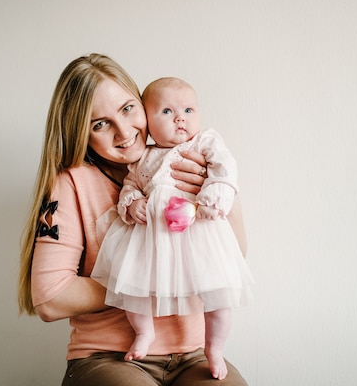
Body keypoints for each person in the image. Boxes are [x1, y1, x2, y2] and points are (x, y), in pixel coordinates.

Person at [18, 53, 250, 385]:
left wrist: (219, 190)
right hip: (108, 357)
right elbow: (51, 299)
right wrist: (149, 275)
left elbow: (233, 255)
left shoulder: (189, 159)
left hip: (193, 354)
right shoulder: (71, 183)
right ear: (80, 133)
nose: (125, 131)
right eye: (100, 124)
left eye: (127, 109)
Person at [91, 77, 253, 380]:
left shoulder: (204, 142)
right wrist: (131, 204)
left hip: (200, 234)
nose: (180, 118)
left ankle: (214, 347)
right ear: (147, 122)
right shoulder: (143, 158)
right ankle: (144, 332)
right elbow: (131, 186)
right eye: (167, 111)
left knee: (218, 298)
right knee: (134, 290)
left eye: (189, 110)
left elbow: (225, 169)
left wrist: (213, 195)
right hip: (153, 243)